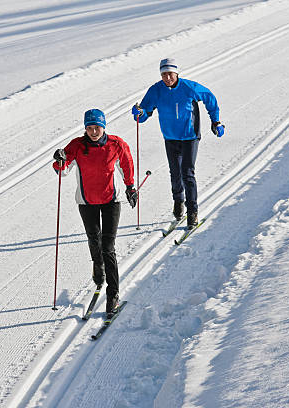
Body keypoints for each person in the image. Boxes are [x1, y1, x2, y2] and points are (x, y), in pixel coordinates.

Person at [53, 108, 137, 316]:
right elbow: (62, 170)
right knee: (94, 240)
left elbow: (127, 164)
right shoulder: (76, 146)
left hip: (111, 201)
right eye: (89, 128)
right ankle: (97, 266)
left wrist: (130, 187)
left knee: (108, 246)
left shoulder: (116, 144)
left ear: (103, 126)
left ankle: (113, 294)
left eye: (96, 127)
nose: (93, 132)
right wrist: (59, 160)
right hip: (86, 201)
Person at [132, 58, 225, 228]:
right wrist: (138, 113)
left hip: (190, 136)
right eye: (164, 74)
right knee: (175, 174)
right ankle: (178, 201)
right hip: (170, 137)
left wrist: (216, 121)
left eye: (170, 74)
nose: (167, 77)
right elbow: (144, 113)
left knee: (187, 173)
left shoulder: (189, 87)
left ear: (176, 73)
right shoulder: (156, 91)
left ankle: (192, 211)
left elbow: (209, 97)